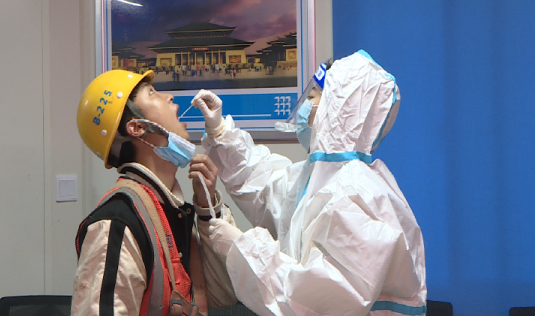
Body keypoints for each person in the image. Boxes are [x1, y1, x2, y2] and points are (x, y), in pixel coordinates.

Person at [192, 50, 427, 316]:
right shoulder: (318, 177)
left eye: (313, 96)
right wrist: (220, 131)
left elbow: (315, 299)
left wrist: (244, 247)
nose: (304, 105)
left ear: (337, 109)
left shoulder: (356, 194)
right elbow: (265, 186)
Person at [72, 69, 237, 316]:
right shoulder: (117, 224)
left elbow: (223, 294)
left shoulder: (171, 211)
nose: (169, 97)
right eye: (152, 93)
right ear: (137, 127)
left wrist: (207, 209)